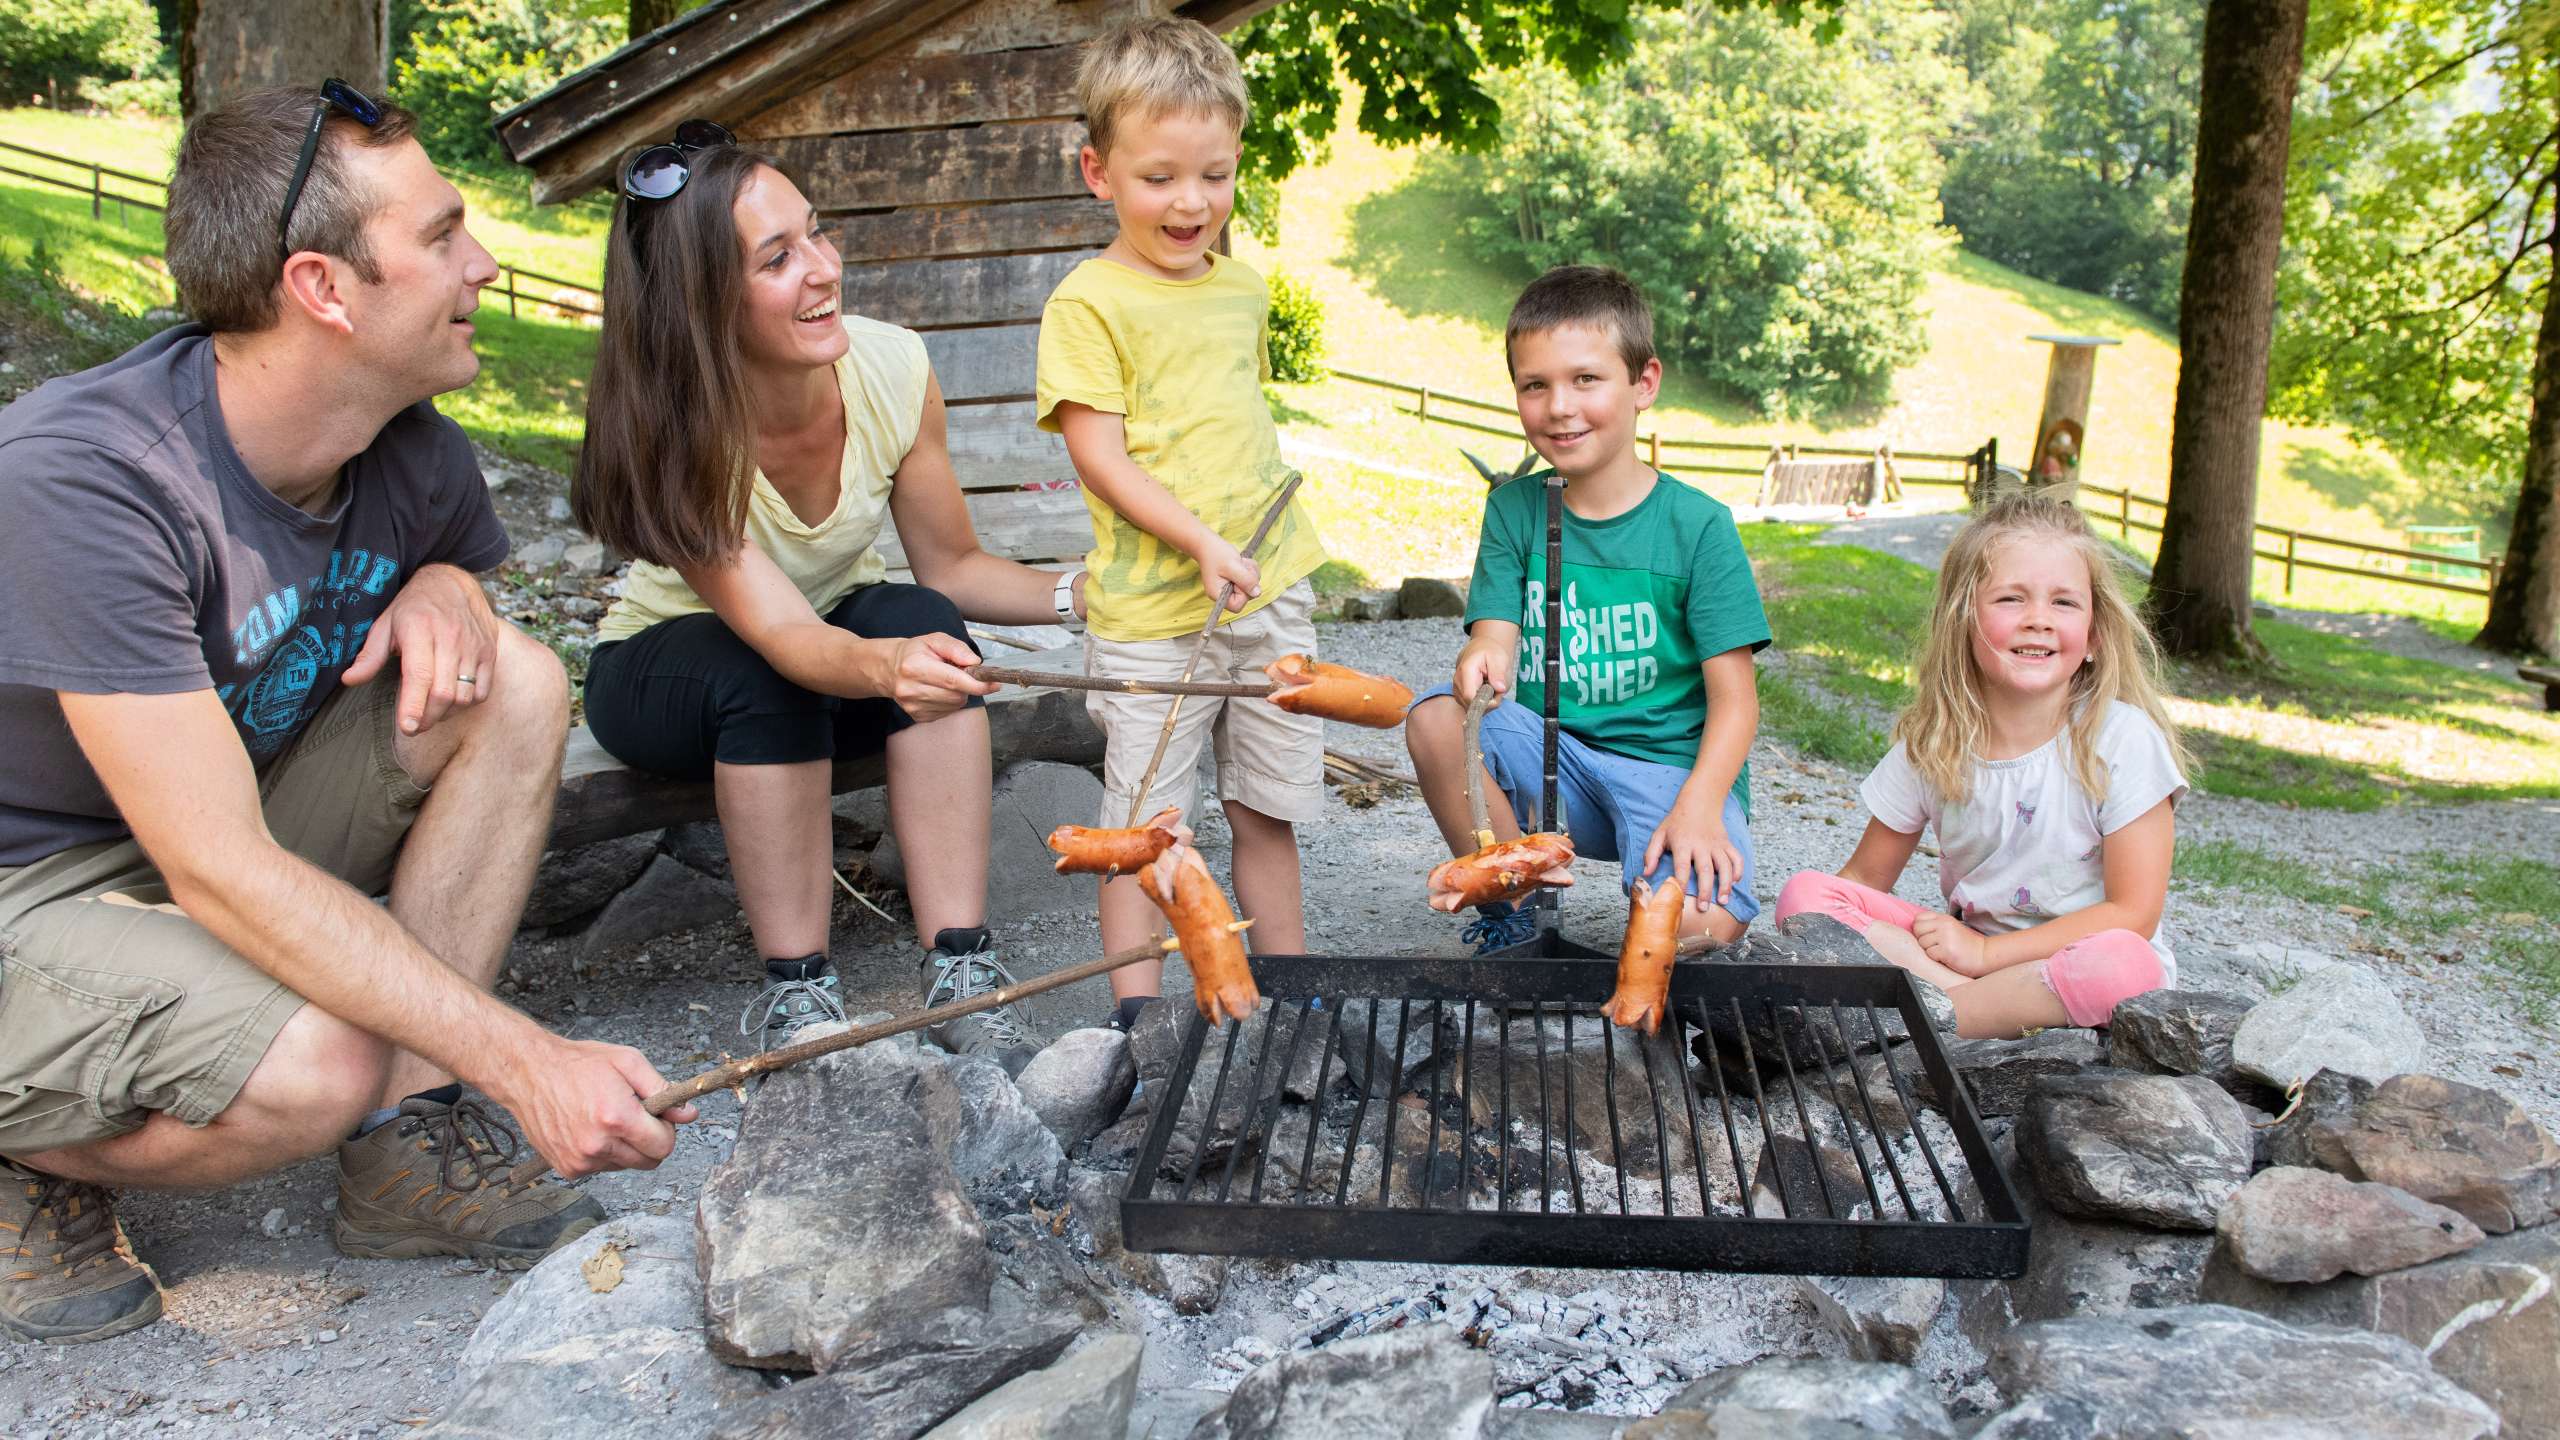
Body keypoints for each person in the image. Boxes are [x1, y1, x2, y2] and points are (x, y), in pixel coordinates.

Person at [0, 83, 691, 1347]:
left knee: (518, 681)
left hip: (183, 829)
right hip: (27, 885)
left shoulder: (402, 439)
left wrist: (446, 585)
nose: (482, 264)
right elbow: (218, 865)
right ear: (323, 288)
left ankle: (405, 1150)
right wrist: (524, 1058)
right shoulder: (87, 483)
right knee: (317, 1066)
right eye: (441, 236)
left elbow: (438, 576)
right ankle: (26, 1148)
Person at [573, 124, 1081, 1055]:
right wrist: (884, 666)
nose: (822, 268)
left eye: (817, 232)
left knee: (928, 620)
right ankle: (798, 991)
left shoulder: (892, 367)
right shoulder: (679, 428)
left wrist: (1086, 595)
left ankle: (961, 963)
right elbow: (779, 637)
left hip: (827, 653)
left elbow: (955, 569)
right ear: (704, 302)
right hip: (668, 672)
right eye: (777, 259)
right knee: (760, 677)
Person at [1035, 16, 1328, 1029]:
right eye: (1159, 177)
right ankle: (1138, 1021)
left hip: (1270, 593)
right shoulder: (1088, 303)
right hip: (1157, 617)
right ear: (1097, 171)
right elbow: (1099, 454)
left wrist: (1248, 545)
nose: (1191, 202)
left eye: (1215, 174)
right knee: (1144, 828)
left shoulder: (1243, 288)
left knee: (1268, 806)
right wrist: (1201, 542)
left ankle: (1286, 995)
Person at [1407, 266, 1771, 954]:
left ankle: (1669, 880)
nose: (1559, 406)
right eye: (1534, 385)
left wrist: (1700, 809)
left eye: (1585, 380)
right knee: (1433, 719)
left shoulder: (1699, 526)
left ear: (1645, 384)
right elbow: (1495, 634)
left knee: (1698, 929)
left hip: (1670, 773)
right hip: (1555, 763)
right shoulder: (1514, 508)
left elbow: (1737, 703)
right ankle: (1510, 907)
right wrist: (1484, 654)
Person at [1771, 492, 2190, 1038]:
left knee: (2124, 965)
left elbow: (2134, 914)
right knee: (1807, 898)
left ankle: (1940, 1019)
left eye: (2064, 603)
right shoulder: (1934, 742)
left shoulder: (2124, 739)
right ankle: (1974, 1013)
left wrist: (1987, 953)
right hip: (1959, 961)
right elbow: (1862, 882)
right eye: (2011, 599)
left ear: (2095, 636)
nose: (2038, 620)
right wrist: (1841, 931)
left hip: (2067, 962)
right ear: (1963, 621)